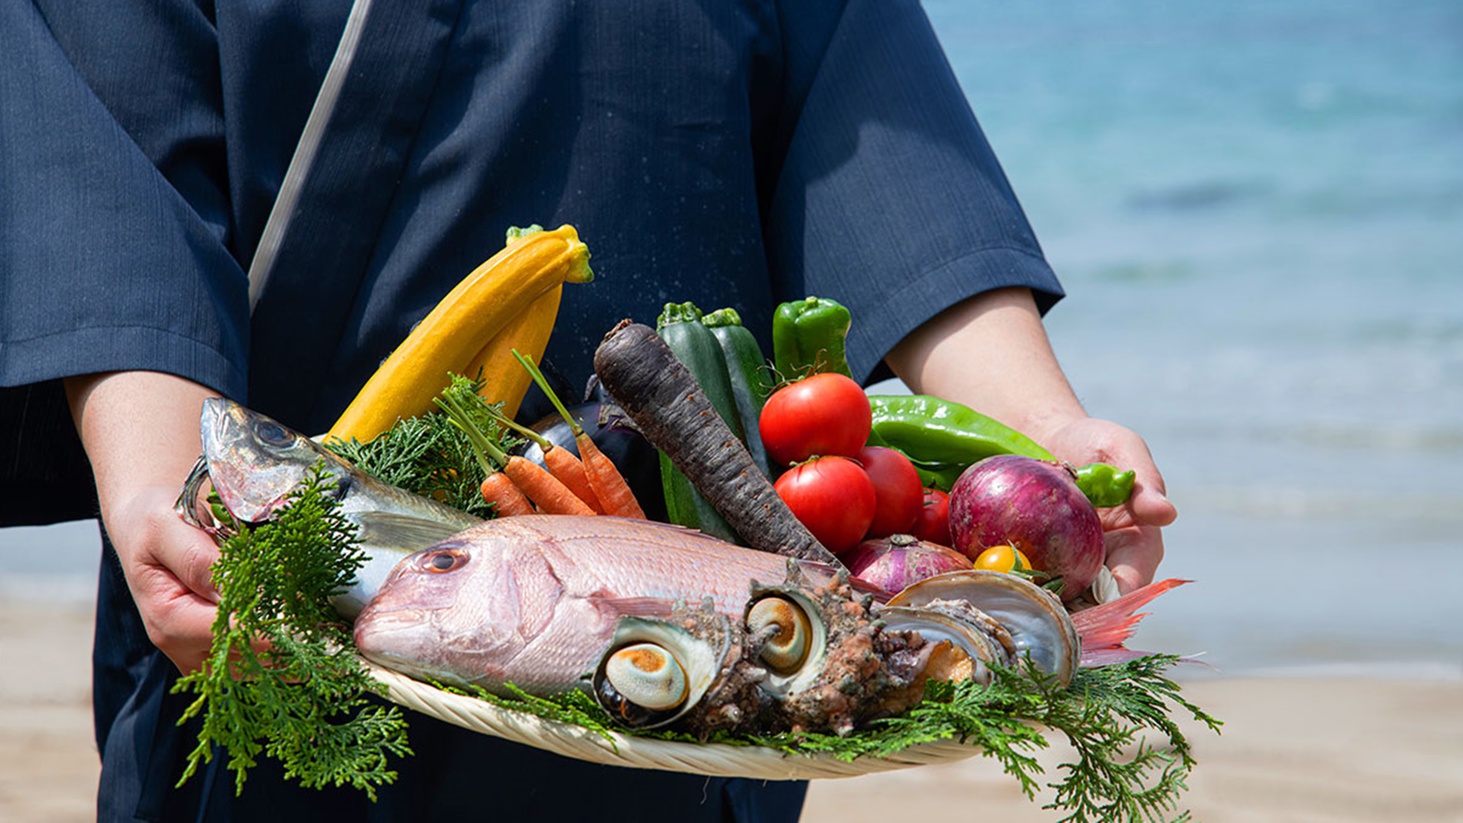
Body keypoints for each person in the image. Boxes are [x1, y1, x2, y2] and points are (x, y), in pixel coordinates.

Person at [0, 1, 1176, 821]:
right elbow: (106, 201)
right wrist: (165, 490)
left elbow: (879, 163)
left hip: (694, 668)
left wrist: (1045, 434)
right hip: (281, 619)